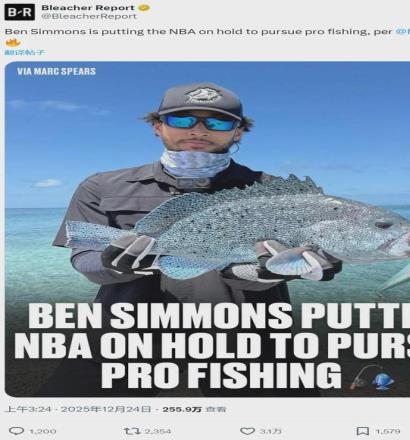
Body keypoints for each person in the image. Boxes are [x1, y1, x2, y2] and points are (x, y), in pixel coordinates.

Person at [44, 82, 342, 397]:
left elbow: (302, 253)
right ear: (158, 126)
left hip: (249, 338)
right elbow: (84, 258)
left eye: (218, 122)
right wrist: (115, 265)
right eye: (182, 119)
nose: (198, 130)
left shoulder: (279, 193)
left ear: (238, 132)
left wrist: (290, 267)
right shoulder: (101, 186)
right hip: (125, 336)